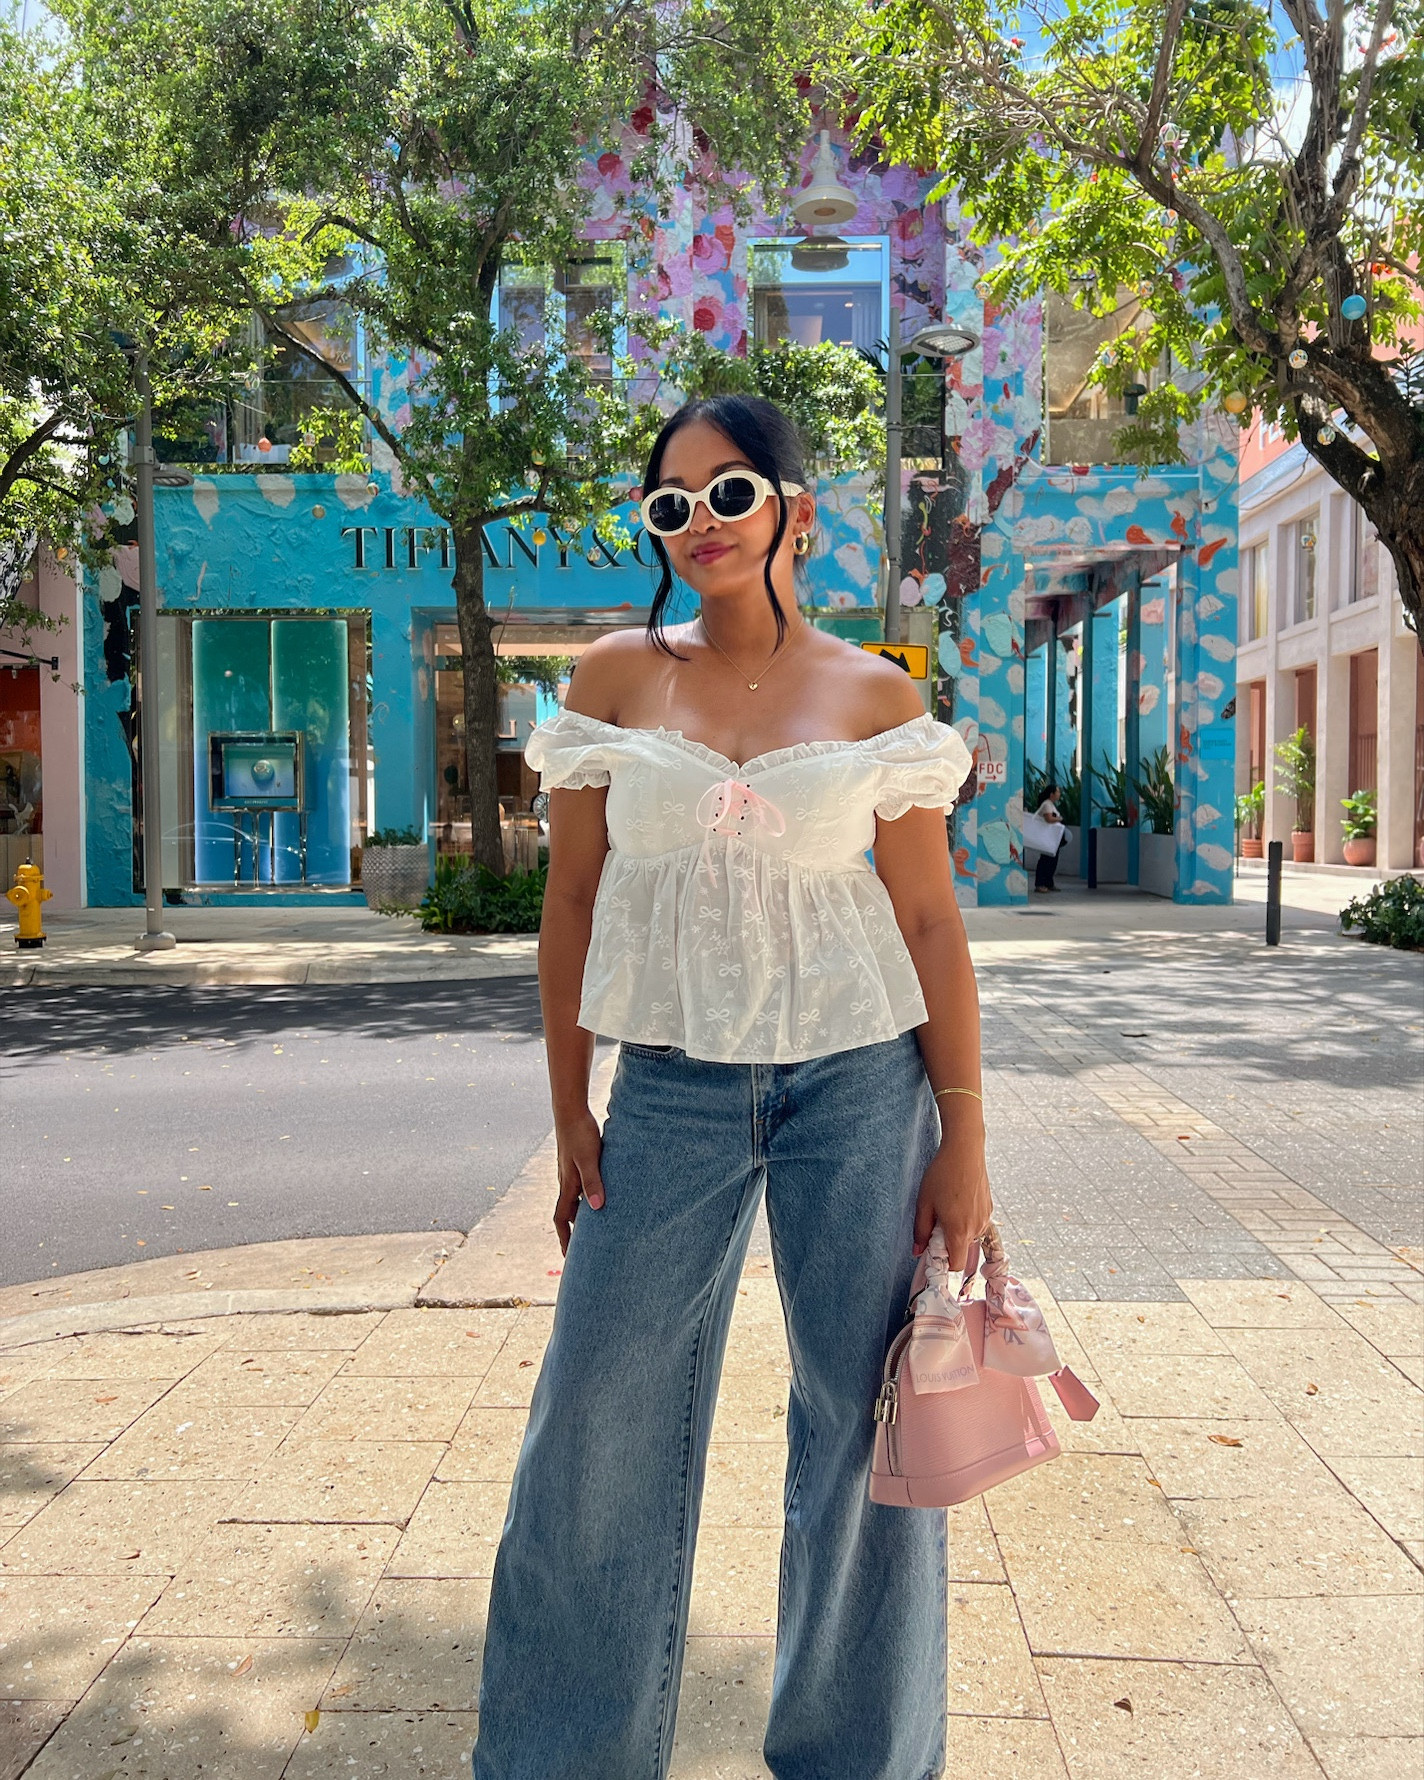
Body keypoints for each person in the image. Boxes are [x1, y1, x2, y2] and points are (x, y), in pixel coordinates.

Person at [471, 394, 993, 1780]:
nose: (699, 522)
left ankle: (857, 1755)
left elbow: (933, 927)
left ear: (794, 513)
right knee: (597, 1421)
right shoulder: (609, 683)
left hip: (867, 1088)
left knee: (864, 1433)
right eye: (671, 504)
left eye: (730, 493)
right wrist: (568, 1108)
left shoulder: (878, 698)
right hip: (672, 1089)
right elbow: (571, 903)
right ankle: (563, 1755)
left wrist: (969, 1142)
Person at [1031, 781, 1065, 893]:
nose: (1059, 793)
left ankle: (1049, 883)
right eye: (1058, 791)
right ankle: (1040, 884)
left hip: (1052, 839)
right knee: (1045, 861)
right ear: (1052, 794)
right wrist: (1059, 819)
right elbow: (1049, 819)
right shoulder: (1046, 804)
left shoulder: (1051, 804)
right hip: (1047, 838)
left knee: (1052, 861)